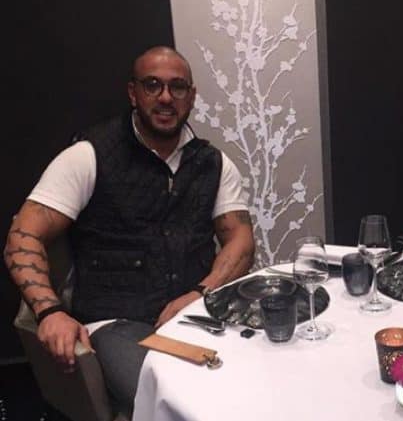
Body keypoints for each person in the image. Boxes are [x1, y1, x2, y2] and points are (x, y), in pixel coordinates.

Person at [3, 46, 255, 415]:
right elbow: (22, 236)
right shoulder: (88, 155)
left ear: (191, 96)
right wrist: (50, 312)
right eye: (152, 85)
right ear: (133, 92)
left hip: (199, 314)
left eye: (177, 87)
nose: (165, 97)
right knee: (183, 400)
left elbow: (241, 241)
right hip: (117, 322)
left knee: (261, 380)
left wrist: (200, 292)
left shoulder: (213, 163)